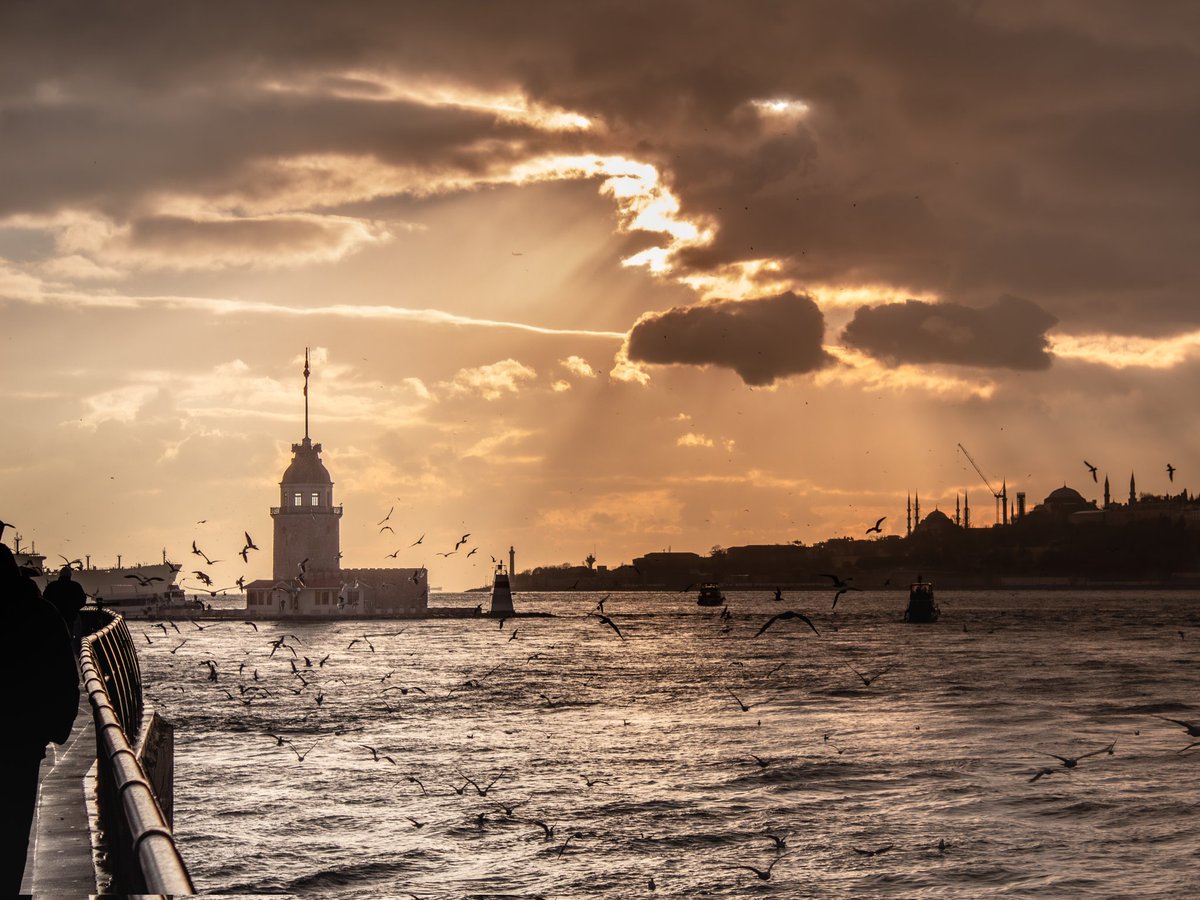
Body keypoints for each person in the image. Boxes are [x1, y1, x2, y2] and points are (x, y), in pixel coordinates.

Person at [1, 544, 81, 894]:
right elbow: (66, 678)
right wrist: (54, 730)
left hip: (20, 739)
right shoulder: (43, 614)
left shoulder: (46, 605)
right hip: (22, 744)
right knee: (13, 832)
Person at [43, 565, 88, 649]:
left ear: (60, 575)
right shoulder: (75, 586)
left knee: (56, 636)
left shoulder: (52, 586)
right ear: (70, 575)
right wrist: (75, 609)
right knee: (71, 634)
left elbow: (45, 599)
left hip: (55, 616)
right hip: (71, 616)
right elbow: (82, 600)